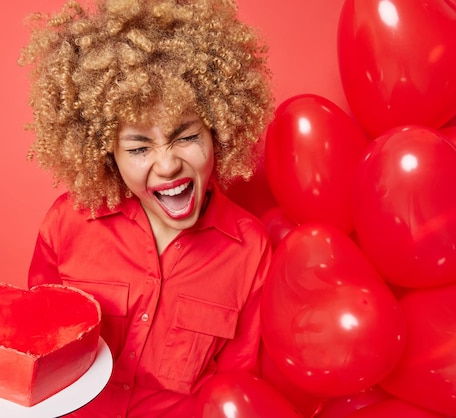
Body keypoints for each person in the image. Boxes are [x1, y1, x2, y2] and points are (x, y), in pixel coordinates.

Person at [19, 0, 274, 416]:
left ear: (218, 130)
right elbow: (37, 352)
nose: (168, 163)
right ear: (107, 155)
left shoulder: (250, 247)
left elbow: (237, 392)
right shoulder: (67, 222)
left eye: (185, 137)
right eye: (139, 147)